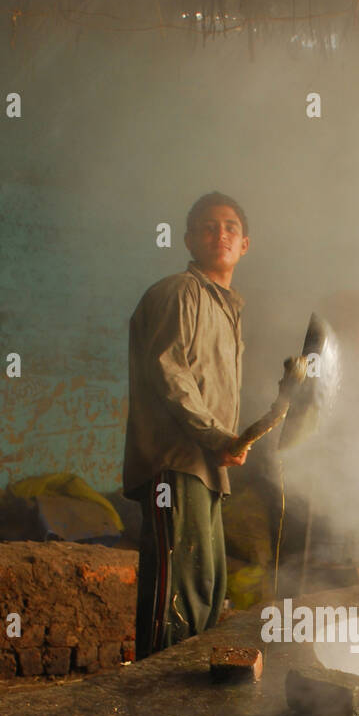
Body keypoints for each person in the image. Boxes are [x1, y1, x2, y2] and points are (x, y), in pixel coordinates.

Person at [124, 192, 250, 658]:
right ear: (189, 240)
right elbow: (169, 372)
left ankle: (188, 709)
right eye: (209, 227)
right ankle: (156, 706)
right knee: (176, 597)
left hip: (206, 467)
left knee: (207, 589)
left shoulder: (227, 307)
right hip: (175, 466)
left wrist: (227, 444)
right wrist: (218, 437)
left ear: (245, 244)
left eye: (230, 227)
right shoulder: (180, 292)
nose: (221, 234)